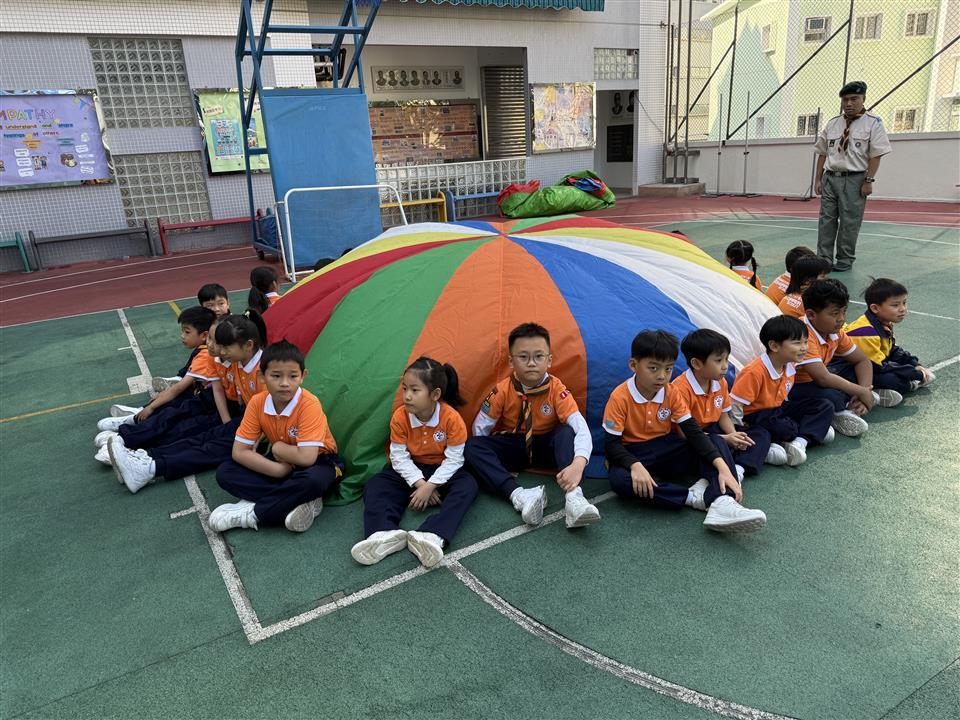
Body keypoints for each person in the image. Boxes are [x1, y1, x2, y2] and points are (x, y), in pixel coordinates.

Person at [603, 330, 766, 533]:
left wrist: (723, 467)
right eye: (653, 368)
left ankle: (723, 501)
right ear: (633, 365)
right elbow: (612, 445)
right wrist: (635, 465)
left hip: (667, 447)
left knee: (715, 441)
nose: (662, 376)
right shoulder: (619, 398)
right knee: (620, 481)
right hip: (636, 452)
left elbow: (693, 432)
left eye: (668, 369)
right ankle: (693, 498)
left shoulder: (671, 392)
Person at [106, 312, 268, 494]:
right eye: (218, 344)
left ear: (248, 345)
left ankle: (149, 468)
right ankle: (145, 457)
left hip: (266, 432)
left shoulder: (261, 372)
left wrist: (252, 438)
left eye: (225, 347)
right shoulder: (238, 361)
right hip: (251, 422)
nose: (220, 351)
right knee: (205, 436)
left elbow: (270, 414)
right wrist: (229, 425)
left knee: (210, 448)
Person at [464, 323, 600, 530]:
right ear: (511, 361)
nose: (531, 363)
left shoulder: (557, 389)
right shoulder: (502, 391)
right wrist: (492, 464)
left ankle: (575, 498)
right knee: (473, 445)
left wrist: (578, 465)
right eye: (523, 357)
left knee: (566, 431)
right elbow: (480, 429)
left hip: (548, 448)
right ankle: (519, 495)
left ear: (549, 360)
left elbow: (581, 428)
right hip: (516, 445)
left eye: (538, 356)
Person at [351, 357, 478, 568]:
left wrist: (431, 485)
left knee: (468, 486)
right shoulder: (400, 417)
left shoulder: (451, 418)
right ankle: (383, 532)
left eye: (415, 390)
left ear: (435, 395)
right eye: (404, 389)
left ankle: (433, 535)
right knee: (376, 484)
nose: (407, 396)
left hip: (442, 470)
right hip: (413, 468)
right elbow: (399, 457)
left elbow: (455, 459)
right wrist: (420, 484)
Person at [209, 340, 343, 534]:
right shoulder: (257, 402)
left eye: (293, 376)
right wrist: (278, 470)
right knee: (225, 472)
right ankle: (298, 500)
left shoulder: (309, 404)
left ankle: (253, 514)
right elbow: (239, 452)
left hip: (321, 461)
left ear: (303, 377)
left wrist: (279, 448)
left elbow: (307, 457)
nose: (285, 383)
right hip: (282, 463)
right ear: (262, 377)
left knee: (313, 481)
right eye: (276, 376)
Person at [788, 279, 894, 438]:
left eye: (844, 311)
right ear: (811, 315)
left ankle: (853, 403)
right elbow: (823, 378)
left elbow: (862, 360)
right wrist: (860, 391)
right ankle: (840, 411)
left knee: (857, 372)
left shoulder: (835, 331)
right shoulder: (802, 335)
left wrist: (864, 389)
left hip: (819, 380)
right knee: (832, 397)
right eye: (835, 313)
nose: (841, 319)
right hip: (794, 386)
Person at [730, 316, 835, 470]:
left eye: (805, 342)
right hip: (754, 415)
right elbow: (736, 406)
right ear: (774, 346)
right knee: (782, 428)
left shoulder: (790, 364)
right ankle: (806, 432)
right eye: (797, 343)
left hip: (777, 409)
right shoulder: (754, 372)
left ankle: (800, 442)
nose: (804, 347)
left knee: (824, 405)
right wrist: (739, 432)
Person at [814, 81, 891, 272]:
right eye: (845, 100)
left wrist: (869, 180)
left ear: (863, 99)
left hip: (855, 179)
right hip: (830, 177)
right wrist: (818, 179)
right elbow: (822, 153)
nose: (848, 103)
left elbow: (876, 155)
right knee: (826, 220)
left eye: (854, 99)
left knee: (849, 222)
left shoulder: (873, 123)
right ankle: (824, 258)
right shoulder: (833, 123)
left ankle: (845, 259)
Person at [671, 329, 755, 481]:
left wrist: (734, 435)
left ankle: (738, 467)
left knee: (759, 433)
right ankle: (724, 475)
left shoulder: (720, 382)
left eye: (726, 359)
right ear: (696, 363)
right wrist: (726, 438)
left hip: (714, 429)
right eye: (718, 360)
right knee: (717, 442)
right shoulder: (680, 389)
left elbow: (723, 416)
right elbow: (684, 434)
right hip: (692, 437)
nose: (725, 366)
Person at [843, 278, 936, 394]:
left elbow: (892, 349)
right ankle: (880, 392)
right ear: (875, 308)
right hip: (847, 371)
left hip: (870, 366)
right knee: (890, 380)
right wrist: (914, 373)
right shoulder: (865, 332)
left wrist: (914, 364)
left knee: (895, 371)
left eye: (904, 303)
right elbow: (878, 366)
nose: (902, 309)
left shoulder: (884, 323)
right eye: (895, 305)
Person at [152, 283, 232, 392]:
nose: (216, 309)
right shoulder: (209, 321)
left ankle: (188, 378)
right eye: (210, 306)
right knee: (199, 351)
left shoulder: (231, 323)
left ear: (228, 303)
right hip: (214, 364)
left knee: (202, 352)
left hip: (223, 366)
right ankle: (183, 376)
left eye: (221, 304)